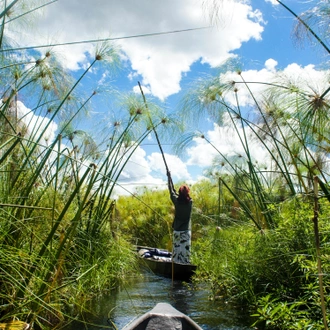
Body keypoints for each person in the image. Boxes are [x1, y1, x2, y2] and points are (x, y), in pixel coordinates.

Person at [167, 170, 193, 264]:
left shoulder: (177, 202)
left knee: (177, 251)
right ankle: (186, 265)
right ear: (187, 193)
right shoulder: (190, 202)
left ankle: (176, 264)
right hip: (186, 230)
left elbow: (171, 192)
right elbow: (181, 196)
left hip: (177, 230)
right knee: (185, 252)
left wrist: (169, 178)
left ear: (179, 193)